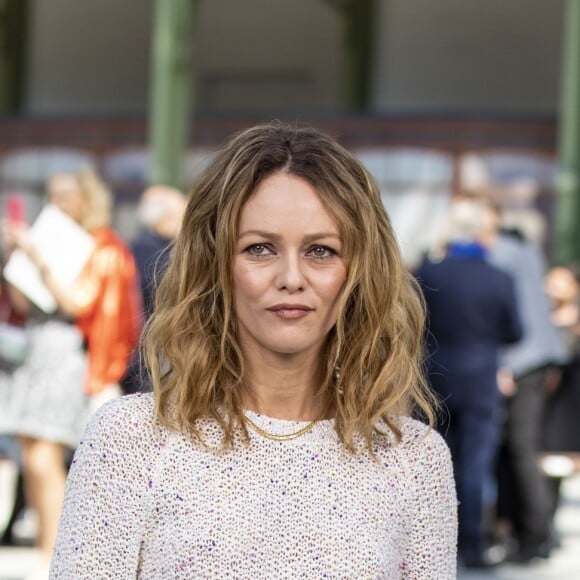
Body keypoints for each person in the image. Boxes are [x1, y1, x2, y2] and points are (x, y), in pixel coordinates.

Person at [50, 123, 457, 579]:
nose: (291, 277)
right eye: (260, 249)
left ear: (359, 271)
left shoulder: (413, 460)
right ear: (216, 265)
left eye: (321, 251)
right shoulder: (130, 440)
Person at [0, 170, 142, 577]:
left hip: (68, 354)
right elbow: (24, 305)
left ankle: (54, 553)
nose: (58, 202)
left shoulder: (101, 245)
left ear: (87, 198)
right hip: (37, 349)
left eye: (67, 195)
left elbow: (78, 304)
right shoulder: (47, 238)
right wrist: (16, 258)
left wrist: (41, 261)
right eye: (52, 195)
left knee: (46, 455)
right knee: (31, 455)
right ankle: (44, 549)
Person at [415, 199, 522, 568]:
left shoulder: (429, 272)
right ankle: (472, 544)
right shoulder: (499, 278)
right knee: (475, 463)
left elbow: (414, 321)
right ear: (480, 233)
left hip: (435, 377)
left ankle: (430, 542)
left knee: (431, 460)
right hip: (479, 379)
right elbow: (515, 331)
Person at [488, 209, 568, 563]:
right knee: (520, 449)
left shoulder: (503, 253)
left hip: (523, 362)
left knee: (520, 449)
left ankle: (536, 536)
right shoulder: (525, 252)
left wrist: (503, 364)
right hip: (539, 359)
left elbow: (507, 315)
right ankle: (530, 533)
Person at [121, 185, 186, 394]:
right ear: (164, 218)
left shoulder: (149, 247)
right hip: (150, 355)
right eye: (181, 215)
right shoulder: (147, 250)